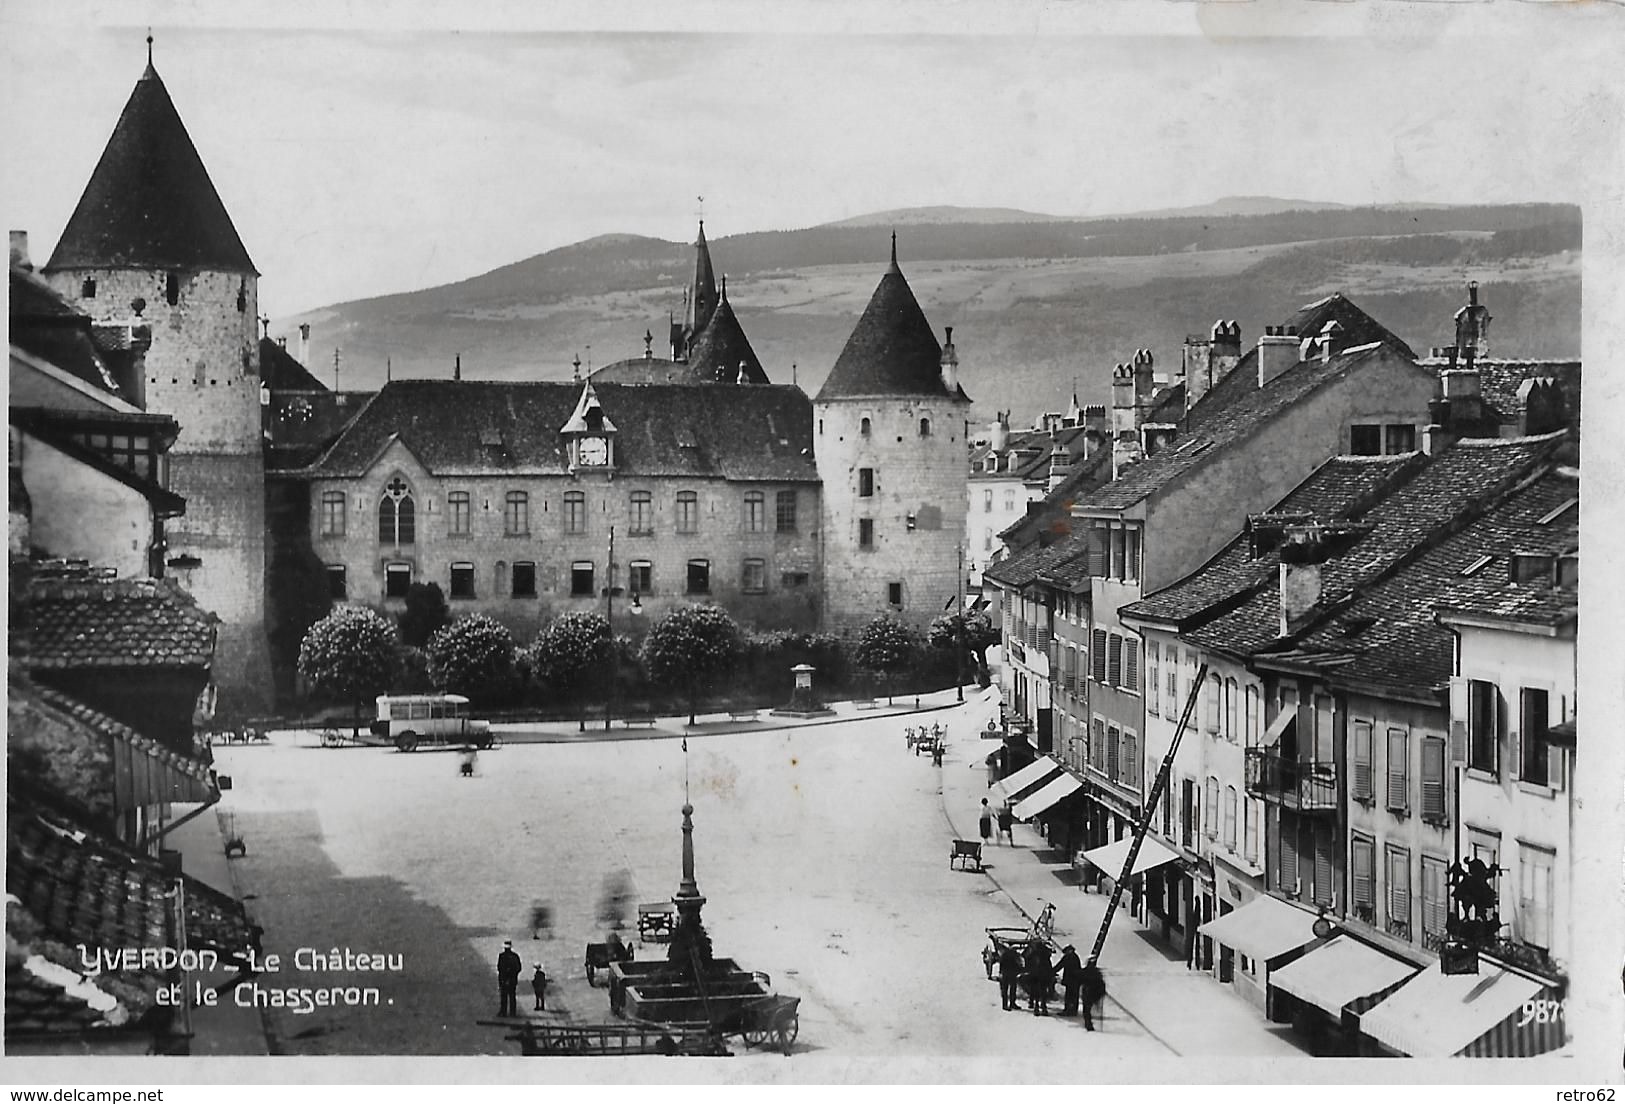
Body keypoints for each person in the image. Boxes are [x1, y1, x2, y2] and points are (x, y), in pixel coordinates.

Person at [1025, 941, 1054, 1016]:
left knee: (1035, 990)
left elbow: (1027, 959)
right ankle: (1043, 1007)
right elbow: (1049, 964)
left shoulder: (1034, 953)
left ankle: (1036, 1007)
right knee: (1043, 990)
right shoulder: (1046, 953)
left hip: (1035, 974)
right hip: (1044, 975)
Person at [1080, 958, 1107, 1032]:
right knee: (1089, 1009)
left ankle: (1088, 1024)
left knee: (1086, 1010)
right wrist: (1101, 993)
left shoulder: (1085, 972)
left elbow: (1080, 980)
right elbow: (1102, 984)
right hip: (1095, 994)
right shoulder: (1097, 973)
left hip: (1088, 993)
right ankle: (1089, 1024)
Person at [496, 940, 522, 1017]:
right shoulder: (515, 956)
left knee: (503, 996)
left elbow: (499, 968)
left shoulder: (501, 956)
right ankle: (512, 1012)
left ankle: (503, 1012)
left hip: (503, 979)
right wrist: (513, 975)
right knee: (512, 996)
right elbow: (519, 968)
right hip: (512, 980)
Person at [1057, 944, 1084, 1017]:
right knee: (1074, 996)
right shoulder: (1075, 956)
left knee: (1069, 996)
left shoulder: (1069, 957)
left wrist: (1051, 972)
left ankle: (1068, 1010)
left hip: (1071, 980)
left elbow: (1060, 965)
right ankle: (1073, 1011)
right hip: (1076, 980)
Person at [997, 943, 1024, 1012]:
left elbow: (1001, 964)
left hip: (1007, 974)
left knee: (1007, 990)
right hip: (1009, 974)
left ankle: (1007, 1004)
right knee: (1010, 989)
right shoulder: (1014, 956)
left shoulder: (1005, 955)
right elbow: (1018, 965)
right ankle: (1009, 1004)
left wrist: (1000, 972)